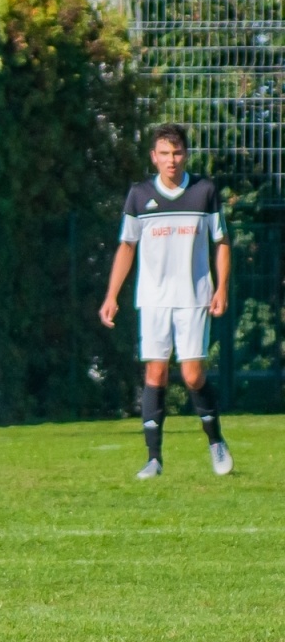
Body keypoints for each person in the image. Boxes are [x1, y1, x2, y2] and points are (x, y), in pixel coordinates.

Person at [99, 122, 233, 479]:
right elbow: (127, 246)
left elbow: (221, 242)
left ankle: (215, 441)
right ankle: (154, 459)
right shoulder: (139, 195)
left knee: (192, 375)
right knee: (155, 372)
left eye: (176, 152)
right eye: (164, 153)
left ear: (185, 155)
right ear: (153, 157)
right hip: (154, 299)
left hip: (193, 297)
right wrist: (112, 295)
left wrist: (221, 288)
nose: (171, 160)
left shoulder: (204, 191)